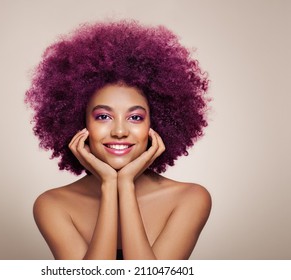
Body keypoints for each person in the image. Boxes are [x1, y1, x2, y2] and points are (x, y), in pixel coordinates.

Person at [25, 20, 211, 260]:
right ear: (81, 124)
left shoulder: (190, 198)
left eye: (135, 117)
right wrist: (110, 184)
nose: (120, 131)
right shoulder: (53, 204)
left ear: (155, 124)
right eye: (103, 116)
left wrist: (125, 184)